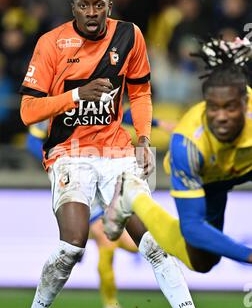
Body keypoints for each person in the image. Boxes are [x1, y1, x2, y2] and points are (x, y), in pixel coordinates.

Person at [18, 0, 224, 308]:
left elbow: (141, 92)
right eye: (85, 6)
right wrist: (78, 95)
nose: (93, 13)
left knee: (154, 243)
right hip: (69, 151)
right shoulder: (51, 43)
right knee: (73, 244)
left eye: (100, 5)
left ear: (109, 6)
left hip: (116, 151)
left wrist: (143, 139)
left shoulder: (130, 36)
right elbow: (28, 111)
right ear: (73, 7)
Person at [104, 37, 252, 274]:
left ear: (245, 105)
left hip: (242, 164)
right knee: (202, 262)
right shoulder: (187, 144)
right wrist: (248, 255)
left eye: (231, 108)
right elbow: (192, 227)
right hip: (209, 178)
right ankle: (133, 195)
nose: (221, 116)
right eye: (214, 108)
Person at [26, 114, 175, 308]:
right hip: (77, 173)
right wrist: (55, 157)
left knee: (132, 244)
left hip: (105, 168)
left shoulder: (93, 91)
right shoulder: (56, 102)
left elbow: (121, 112)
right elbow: (32, 140)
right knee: (107, 242)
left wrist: (159, 123)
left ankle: (109, 301)